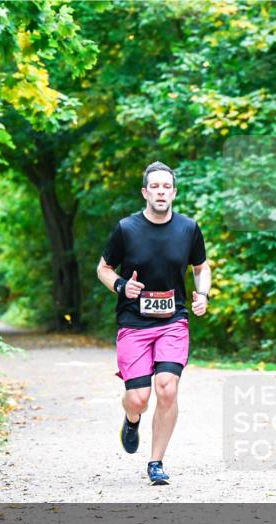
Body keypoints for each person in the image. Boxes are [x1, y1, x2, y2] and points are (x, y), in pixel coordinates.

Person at [96, 161, 211, 485]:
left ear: (173, 192)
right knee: (139, 398)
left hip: (173, 319)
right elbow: (103, 268)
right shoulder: (126, 229)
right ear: (145, 192)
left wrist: (202, 294)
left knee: (167, 388)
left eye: (167, 187)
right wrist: (121, 285)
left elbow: (201, 268)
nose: (161, 192)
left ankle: (156, 462)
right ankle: (132, 419)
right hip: (133, 321)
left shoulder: (188, 228)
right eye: (155, 187)